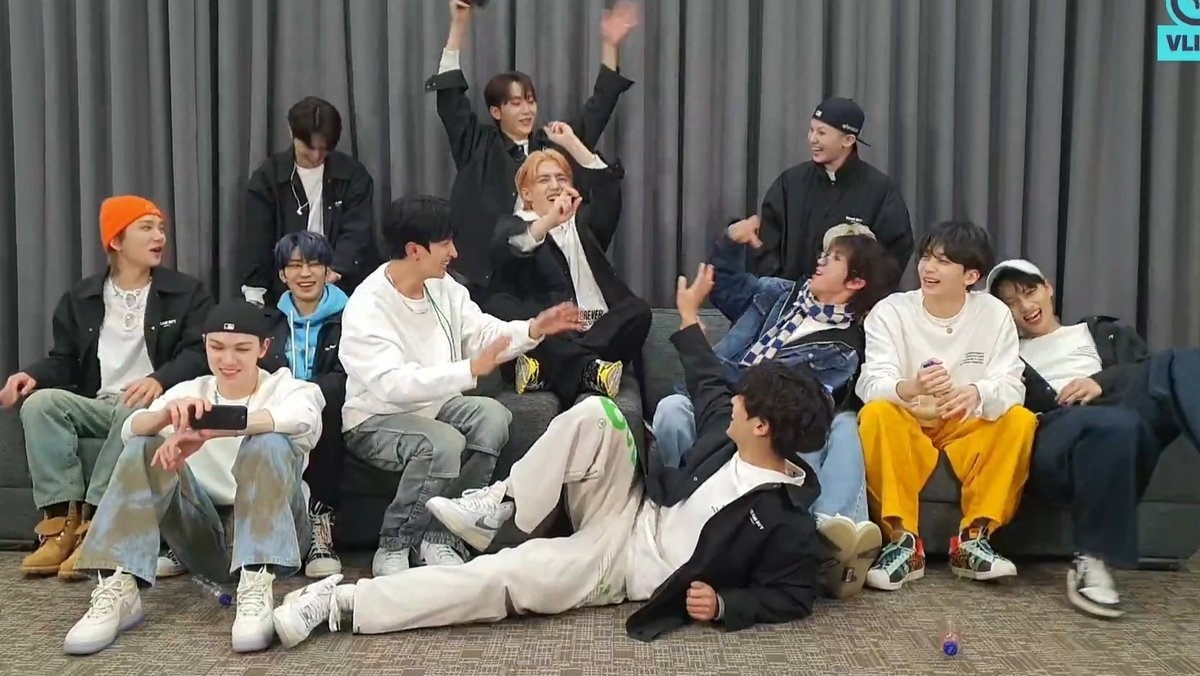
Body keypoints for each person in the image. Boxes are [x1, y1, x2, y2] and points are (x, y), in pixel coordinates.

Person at [270, 264, 832, 649]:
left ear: (762, 426)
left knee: (501, 577)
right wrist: (687, 313)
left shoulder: (786, 518)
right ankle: (501, 501)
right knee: (598, 412)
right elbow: (707, 377)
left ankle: (344, 603)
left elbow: (795, 594)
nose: (732, 402)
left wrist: (729, 605)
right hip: (633, 504)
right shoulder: (730, 435)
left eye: (743, 402)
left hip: (623, 563)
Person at [338, 196, 584, 576]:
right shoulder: (368, 305)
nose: (454, 253)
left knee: (492, 417)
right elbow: (392, 385)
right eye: (445, 244)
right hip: (375, 419)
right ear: (414, 250)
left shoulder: (444, 288)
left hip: (435, 406)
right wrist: (468, 370)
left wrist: (533, 329)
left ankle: (441, 536)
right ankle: (394, 544)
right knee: (444, 442)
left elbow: (483, 332)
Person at [62, 301, 325, 655]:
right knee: (143, 445)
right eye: (217, 347)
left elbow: (304, 419)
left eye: (241, 349)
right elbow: (130, 429)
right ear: (205, 345)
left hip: (279, 530)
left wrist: (216, 428)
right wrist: (165, 418)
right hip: (206, 534)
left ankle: (257, 584)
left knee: (270, 440)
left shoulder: (290, 388)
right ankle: (118, 587)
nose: (228, 360)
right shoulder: (189, 392)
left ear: (263, 349)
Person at [652, 220, 893, 596]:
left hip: (769, 418)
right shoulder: (781, 294)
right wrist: (731, 240)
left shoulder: (844, 348)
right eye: (823, 254)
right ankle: (678, 508)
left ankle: (832, 538)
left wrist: (700, 346)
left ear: (856, 281)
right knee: (671, 408)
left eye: (833, 259)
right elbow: (728, 286)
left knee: (838, 427)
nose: (820, 262)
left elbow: (785, 397)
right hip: (716, 398)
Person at [0, 195, 212, 580]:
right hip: (100, 404)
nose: (159, 237)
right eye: (146, 228)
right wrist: (33, 375)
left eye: (161, 228)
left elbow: (199, 353)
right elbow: (64, 358)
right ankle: (61, 525)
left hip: (154, 406)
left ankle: (97, 525)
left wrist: (158, 379)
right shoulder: (81, 298)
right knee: (40, 404)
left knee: (136, 409)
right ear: (116, 241)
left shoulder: (186, 293)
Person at [988, 259, 1200, 618]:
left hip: (1128, 421)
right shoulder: (1009, 356)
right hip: (1061, 430)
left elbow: (1151, 376)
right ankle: (1093, 557)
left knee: (1184, 361)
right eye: (1010, 302)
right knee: (1112, 425)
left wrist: (1101, 382)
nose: (1024, 306)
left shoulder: (1104, 333)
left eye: (1029, 291)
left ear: (1047, 288)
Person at [855, 221, 1036, 591]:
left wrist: (977, 392)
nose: (928, 268)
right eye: (926, 258)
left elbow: (1012, 385)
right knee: (875, 413)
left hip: (965, 421)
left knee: (1019, 419)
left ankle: (974, 541)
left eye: (942, 261)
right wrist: (911, 388)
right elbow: (870, 382)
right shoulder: (891, 311)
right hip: (909, 418)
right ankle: (903, 543)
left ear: (971, 276)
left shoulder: (994, 313)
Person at [424, 0, 640, 294]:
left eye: (530, 101)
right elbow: (450, 100)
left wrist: (610, 45)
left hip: (549, 275)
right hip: (490, 277)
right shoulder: (478, 144)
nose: (527, 110)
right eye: (515, 103)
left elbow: (599, 107)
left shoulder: (552, 144)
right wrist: (458, 26)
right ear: (496, 111)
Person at [488, 123, 651, 403]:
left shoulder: (585, 223)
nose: (555, 185)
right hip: (553, 331)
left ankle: (551, 370)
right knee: (498, 304)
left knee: (638, 311)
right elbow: (508, 253)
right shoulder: (514, 228)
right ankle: (588, 370)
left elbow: (608, 193)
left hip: (596, 327)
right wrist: (550, 220)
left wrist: (573, 144)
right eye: (544, 180)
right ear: (527, 193)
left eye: (561, 178)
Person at [260, 231, 350, 579]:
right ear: (283, 275)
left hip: (331, 409)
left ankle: (320, 523)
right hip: (281, 409)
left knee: (326, 405)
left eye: (314, 264)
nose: (305, 273)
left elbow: (350, 376)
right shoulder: (268, 322)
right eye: (295, 265)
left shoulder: (352, 316)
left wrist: (305, 395)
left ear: (329, 271)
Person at [754, 97, 912, 285]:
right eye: (811, 130)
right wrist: (782, 287)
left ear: (848, 140)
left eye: (822, 132)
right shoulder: (790, 183)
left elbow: (894, 253)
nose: (812, 139)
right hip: (788, 297)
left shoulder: (880, 190)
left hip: (853, 300)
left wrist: (858, 290)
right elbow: (766, 242)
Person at [239, 96, 375, 305]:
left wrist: (334, 271)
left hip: (341, 287)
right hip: (284, 291)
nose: (316, 156)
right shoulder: (267, 178)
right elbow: (257, 242)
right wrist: (255, 293)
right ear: (291, 132)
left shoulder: (353, 175)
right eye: (309, 147)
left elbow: (357, 231)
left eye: (324, 149)